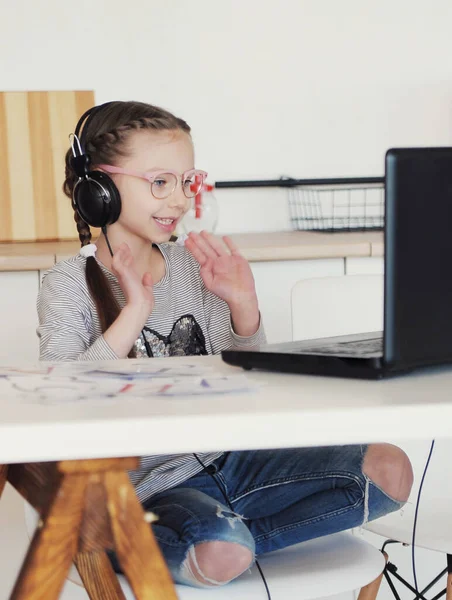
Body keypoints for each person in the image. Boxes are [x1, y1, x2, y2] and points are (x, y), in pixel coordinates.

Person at [37, 101, 413, 589]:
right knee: (219, 551)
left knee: (389, 470)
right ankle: (180, 543)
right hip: (149, 490)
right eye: (159, 182)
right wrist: (133, 314)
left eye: (186, 181)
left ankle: (231, 543)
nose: (178, 200)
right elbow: (58, 402)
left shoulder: (194, 266)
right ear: (99, 189)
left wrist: (244, 305)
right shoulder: (66, 283)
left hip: (235, 462)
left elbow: (244, 383)